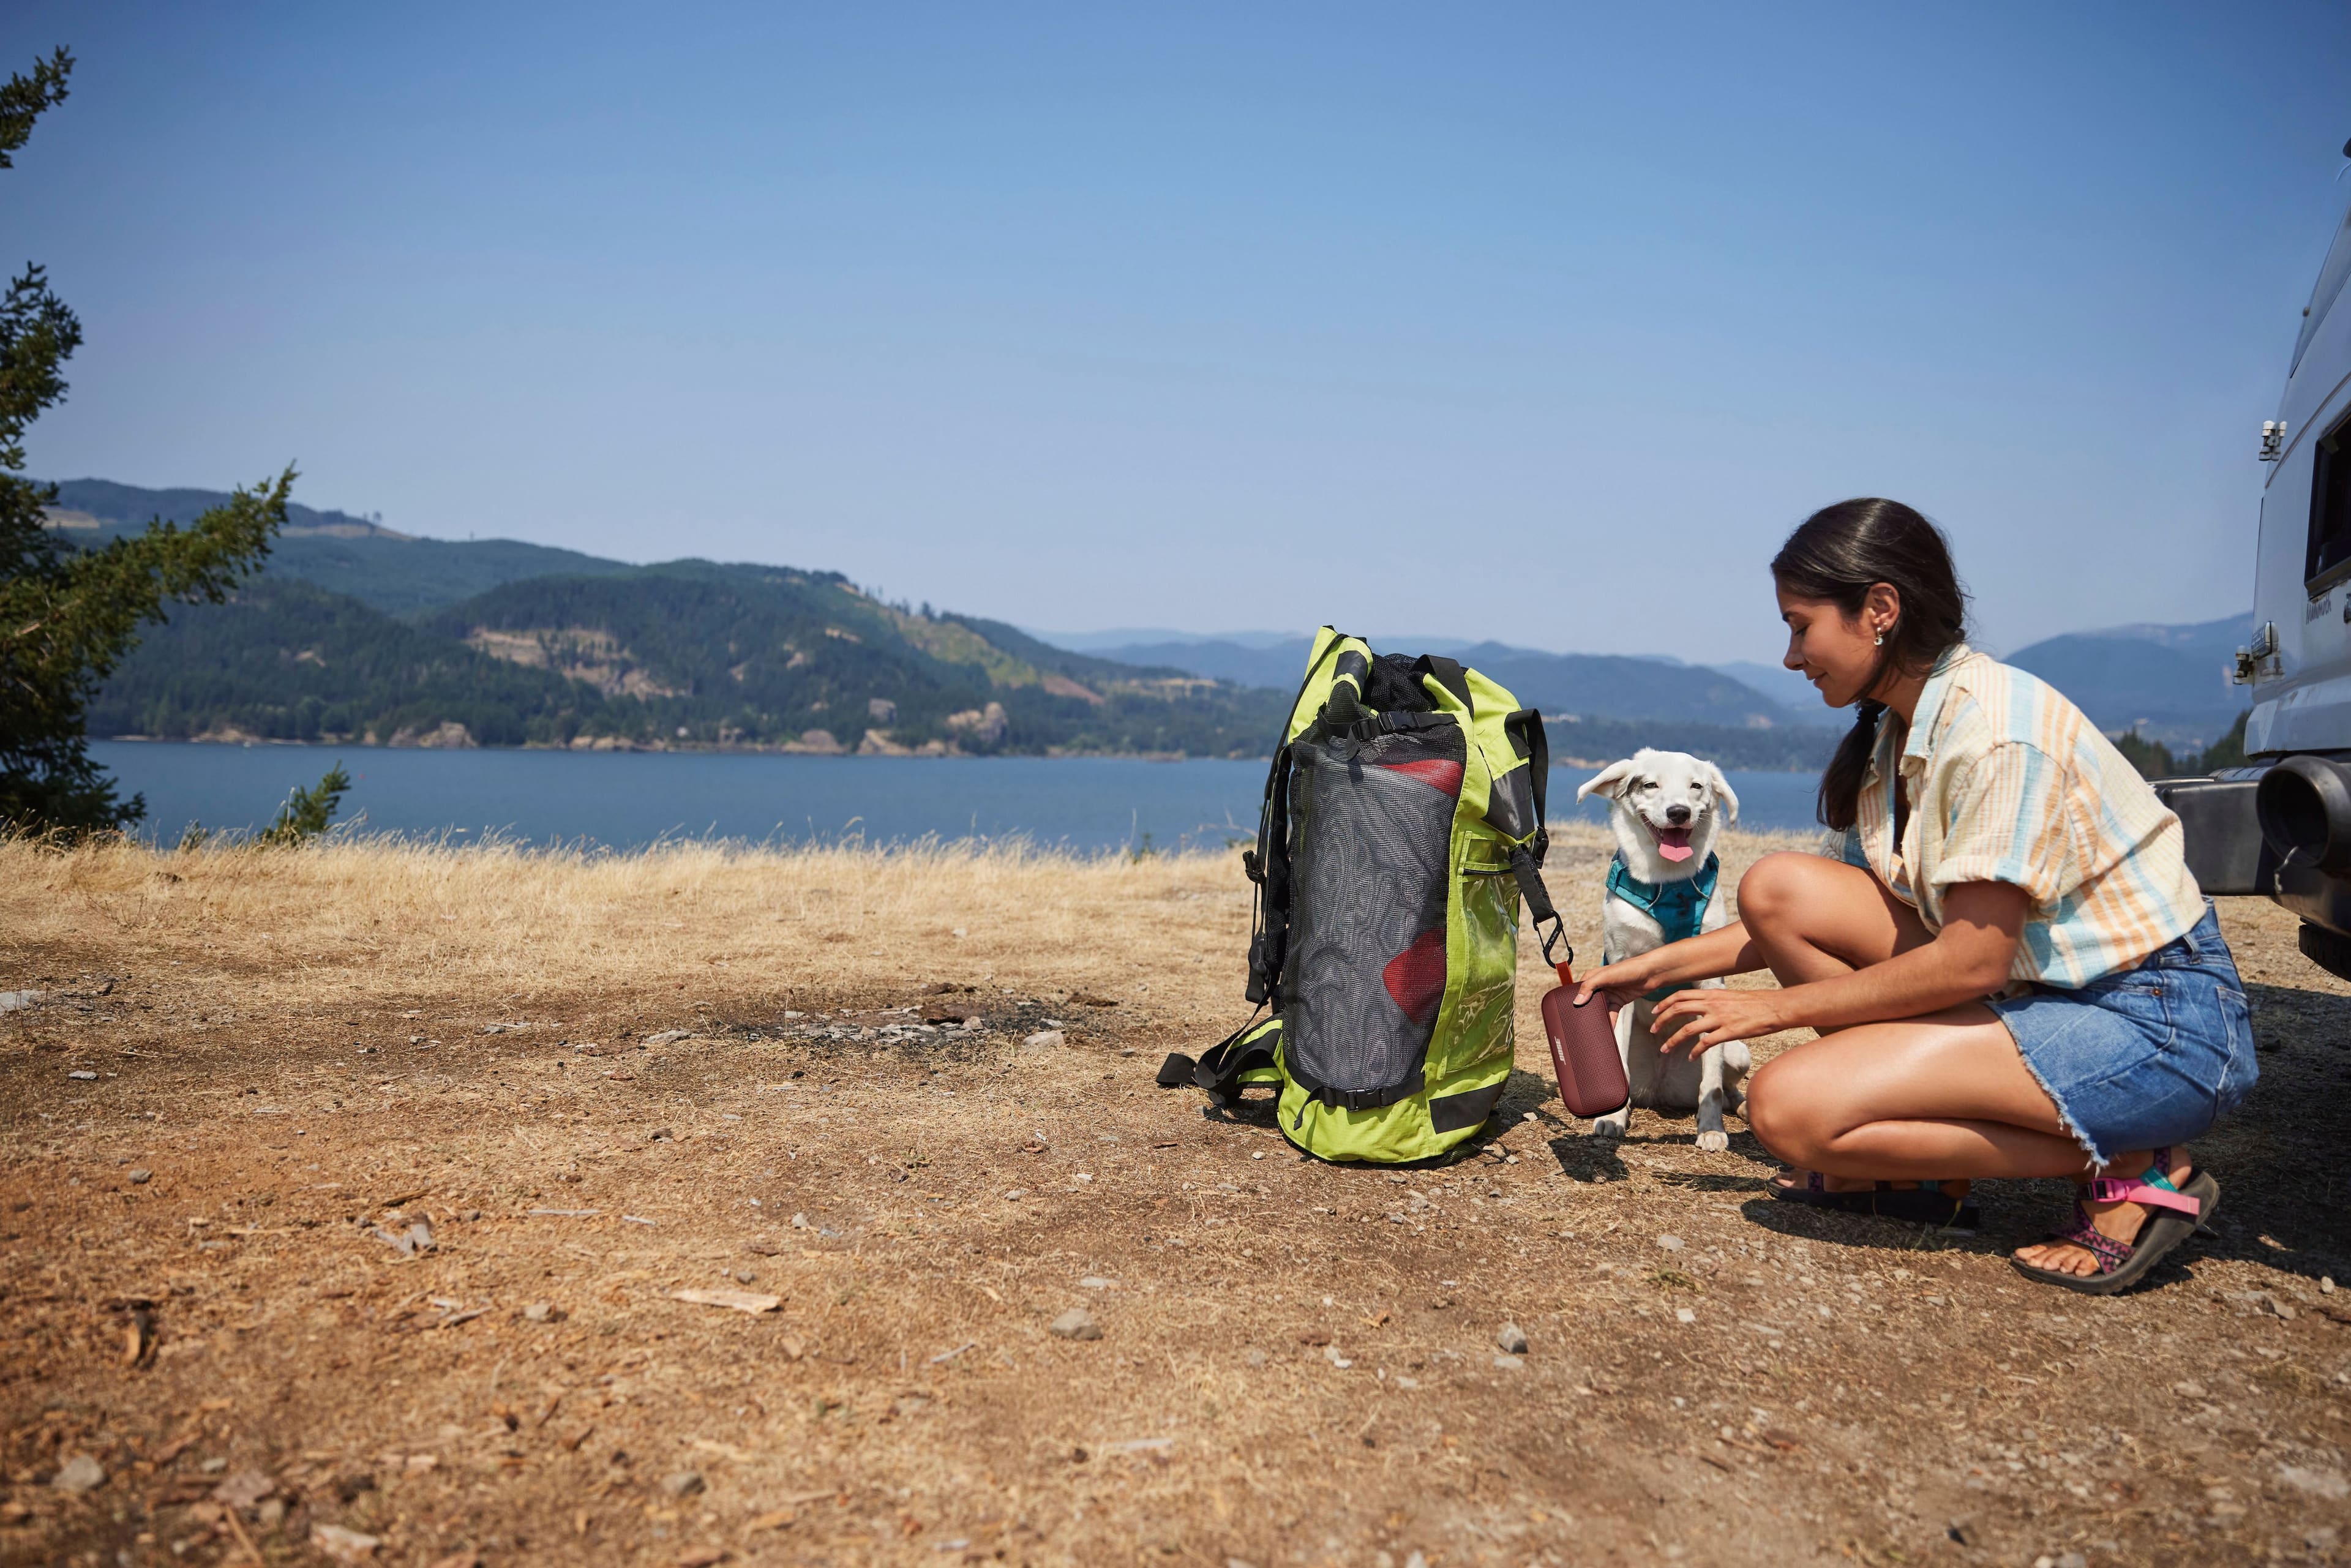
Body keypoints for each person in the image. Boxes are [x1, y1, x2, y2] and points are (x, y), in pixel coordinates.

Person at [1573, 498, 2256, 1294]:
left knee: (1788, 1109)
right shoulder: (1898, 732)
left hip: (2155, 1022)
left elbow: (1972, 959)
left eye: (1800, 626)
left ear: (1880, 612)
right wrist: (1650, 969)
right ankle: (1913, 1175)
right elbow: (1783, 926)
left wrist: (1770, 1013)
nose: (1792, 655)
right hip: (2046, 998)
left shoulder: (1992, 729)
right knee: (1777, 888)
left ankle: (2139, 1162)